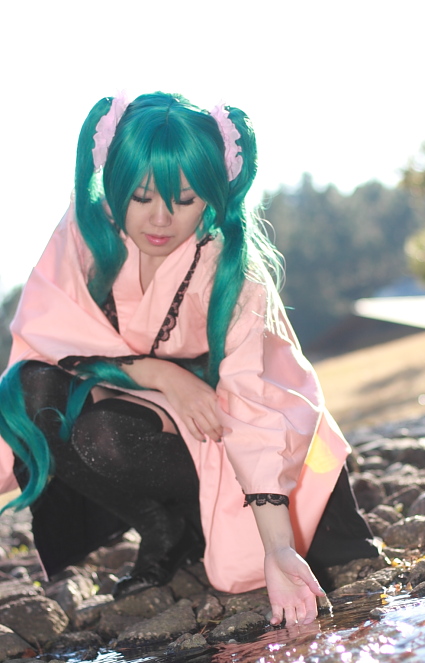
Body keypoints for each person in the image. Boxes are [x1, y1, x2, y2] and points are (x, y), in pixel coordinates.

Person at [0, 91, 377, 628]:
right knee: (28, 388)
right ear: (114, 185)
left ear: (212, 195)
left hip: (222, 425)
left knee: (107, 434)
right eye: (141, 197)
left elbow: (257, 401)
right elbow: (45, 340)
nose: (160, 218)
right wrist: (159, 373)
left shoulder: (231, 268)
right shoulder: (84, 231)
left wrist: (277, 547)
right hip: (147, 404)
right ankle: (161, 527)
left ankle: (203, 529)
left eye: (184, 199)